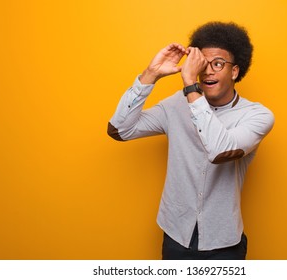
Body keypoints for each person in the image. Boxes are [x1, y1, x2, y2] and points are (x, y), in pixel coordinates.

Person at [107, 21, 274, 260]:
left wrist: (190, 86)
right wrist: (150, 74)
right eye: (203, 65)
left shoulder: (257, 116)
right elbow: (119, 130)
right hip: (175, 234)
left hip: (223, 243)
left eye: (218, 64)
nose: (208, 72)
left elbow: (218, 151)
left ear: (235, 71)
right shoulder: (175, 105)